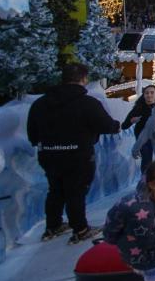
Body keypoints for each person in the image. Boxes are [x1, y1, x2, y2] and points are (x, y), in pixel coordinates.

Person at [27, 63, 121, 244]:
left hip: (49, 155)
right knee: (75, 192)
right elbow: (106, 125)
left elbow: (32, 132)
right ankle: (80, 229)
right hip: (78, 155)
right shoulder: (88, 103)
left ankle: (53, 226)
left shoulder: (40, 103)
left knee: (55, 190)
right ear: (84, 79)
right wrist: (116, 126)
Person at [122, 84, 155, 173]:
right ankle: (145, 182)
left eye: (152, 92)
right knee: (147, 160)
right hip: (143, 138)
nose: (149, 95)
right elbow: (124, 126)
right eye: (146, 93)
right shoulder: (138, 108)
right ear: (144, 95)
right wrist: (132, 121)